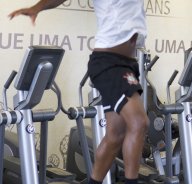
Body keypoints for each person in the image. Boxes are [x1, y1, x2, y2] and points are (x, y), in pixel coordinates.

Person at [9, 1, 149, 184]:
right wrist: (37, 8)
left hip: (128, 63)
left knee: (115, 135)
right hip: (108, 62)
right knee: (139, 122)